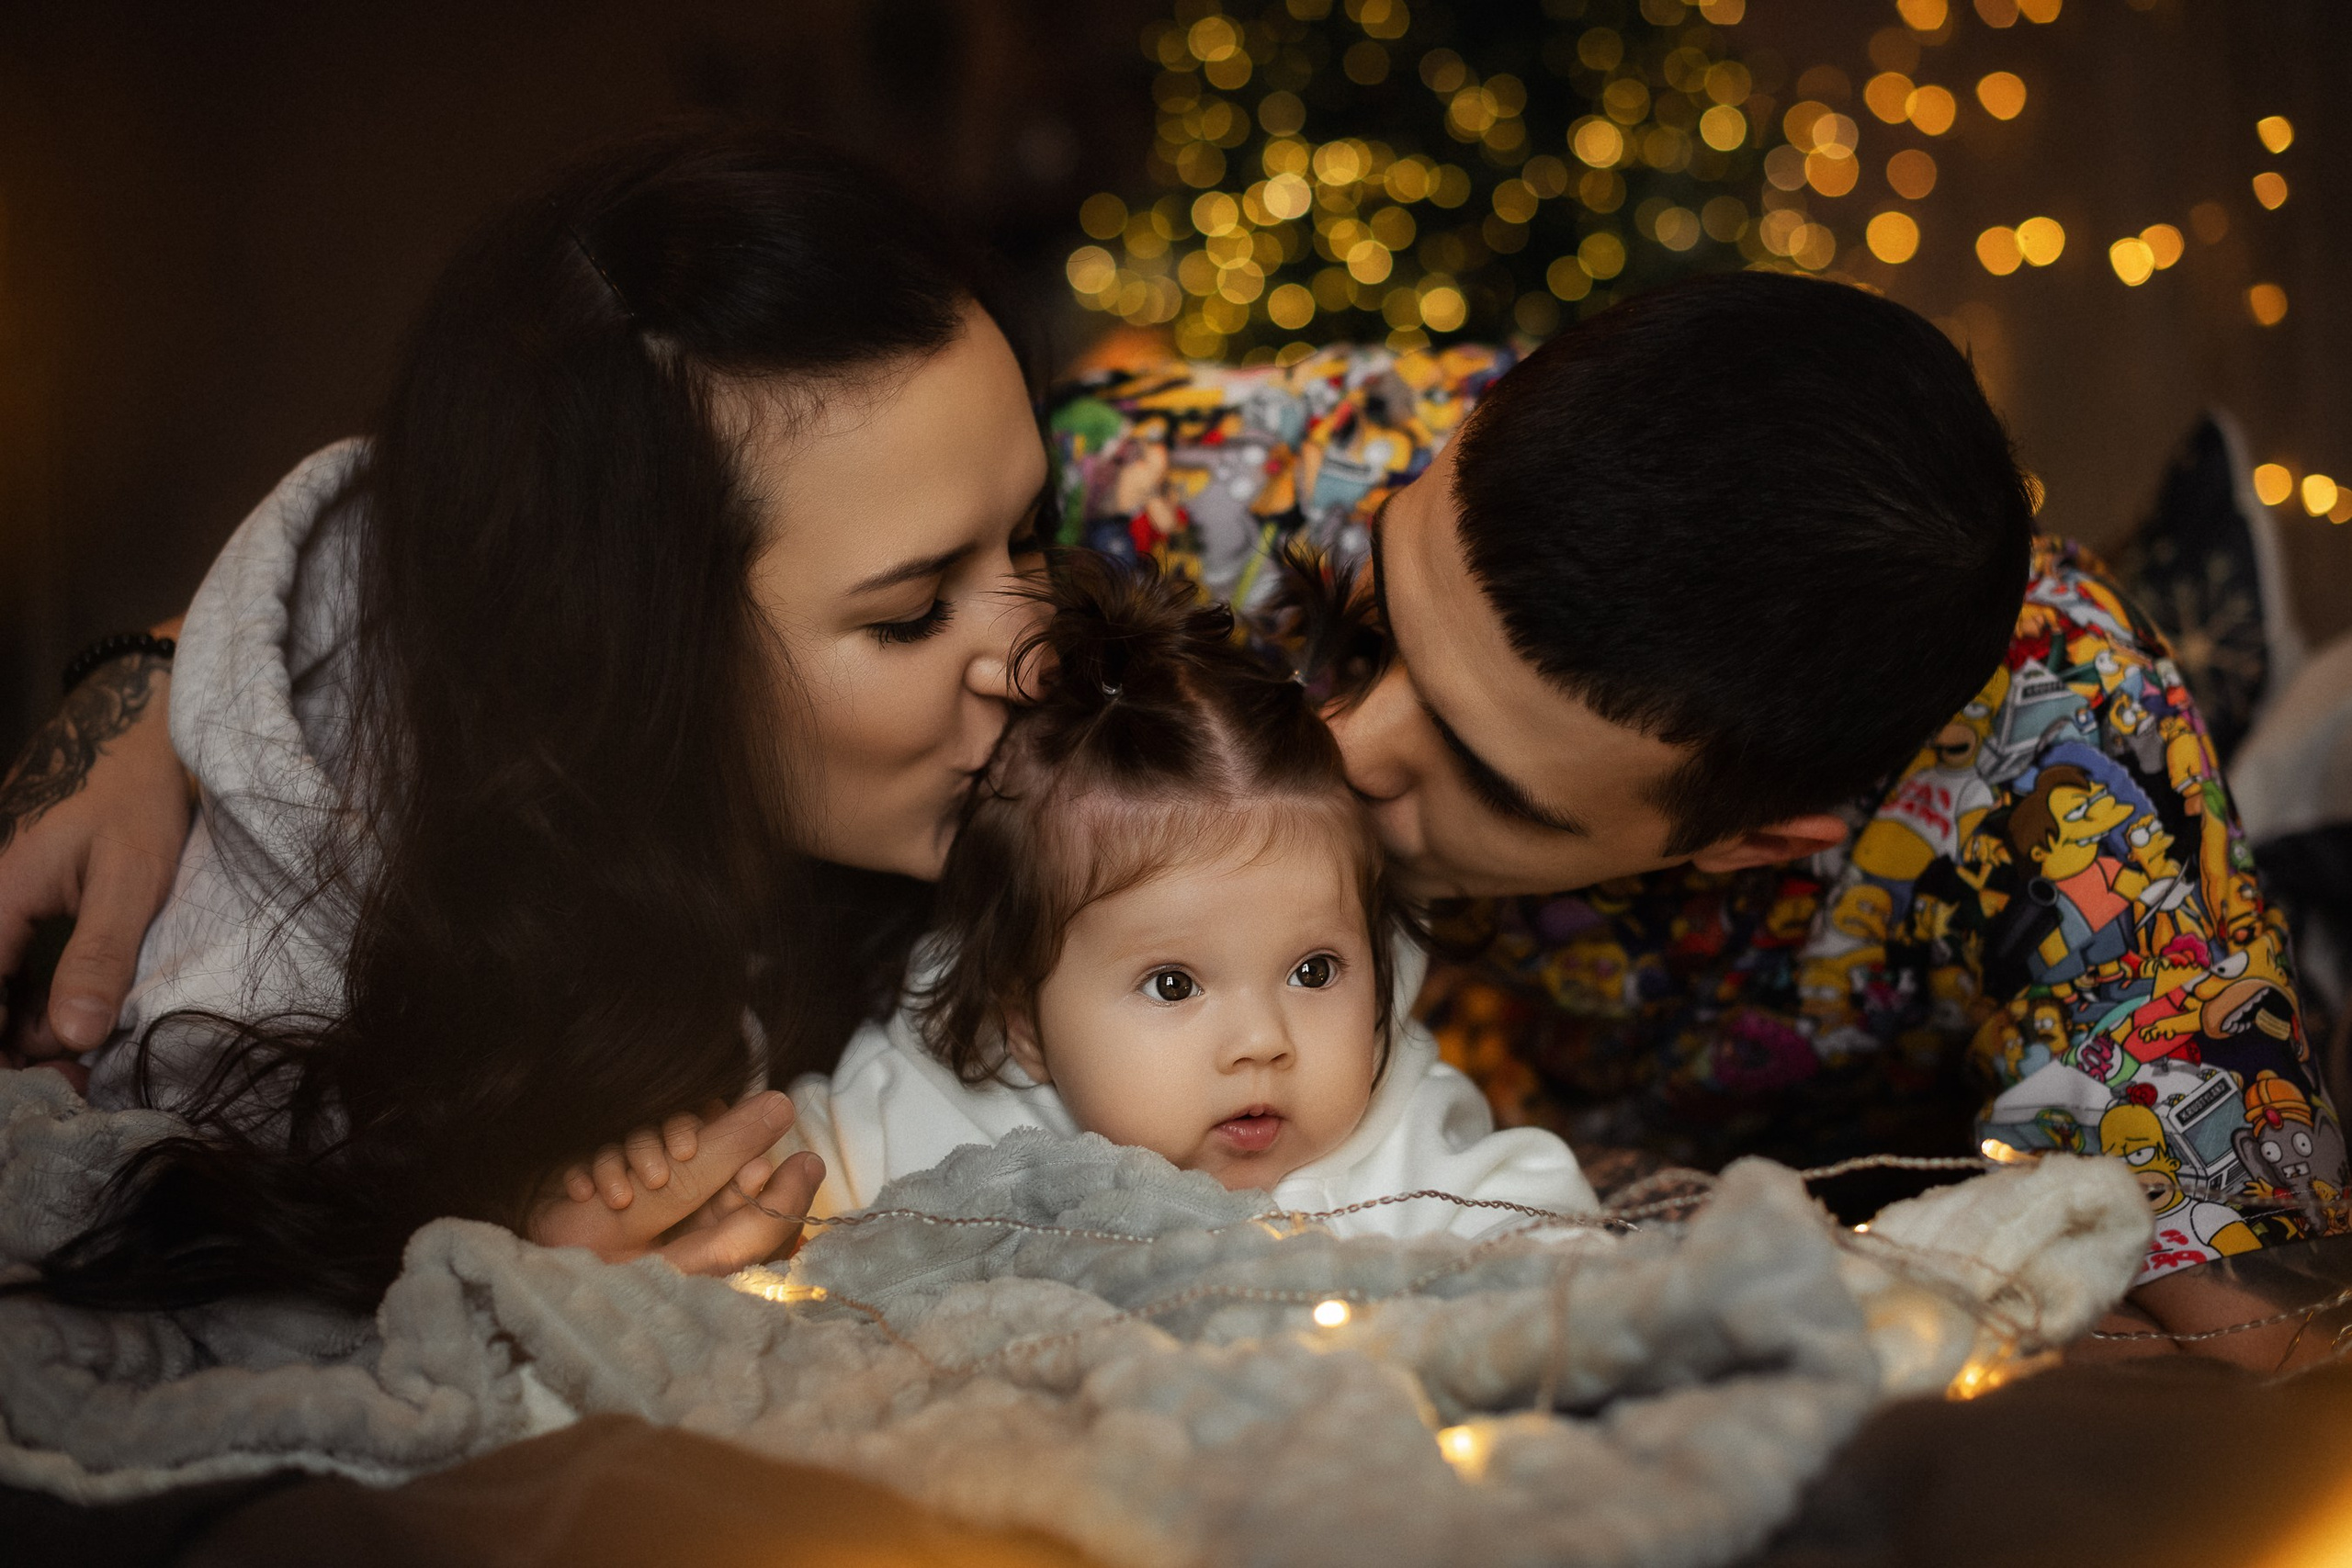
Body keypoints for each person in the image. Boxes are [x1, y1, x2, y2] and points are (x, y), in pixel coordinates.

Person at [6, 263, 2336, 1356]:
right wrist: (150, 707)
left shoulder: (2064, 795)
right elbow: (631, 490)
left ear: (1744, 840)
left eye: (1485, 770)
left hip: (1685, 1113)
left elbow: (2248, 1300)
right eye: (1369, 620)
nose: (1350, 742)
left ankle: (2246, 678)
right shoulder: (1265, 474)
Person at [2, 126, 1062, 1308]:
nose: (1035, 656)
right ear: (629, 653)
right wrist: (492, 1270)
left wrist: (147, 661)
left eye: (1031, 533)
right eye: (915, 612)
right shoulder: (268, 995)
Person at [779, 552, 1594, 1235]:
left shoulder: (1390, 1134)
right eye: (1174, 983)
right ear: (1024, 1017)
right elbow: (786, 1178)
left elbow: (1540, 1228)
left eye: (1315, 971)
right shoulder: (944, 1112)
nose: (1262, 1042)